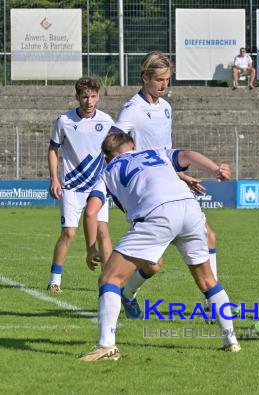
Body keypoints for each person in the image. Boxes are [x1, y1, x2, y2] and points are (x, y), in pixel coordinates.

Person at [79, 132, 239, 361]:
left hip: (156, 214)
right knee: (207, 280)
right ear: (133, 145)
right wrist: (215, 170)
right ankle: (231, 341)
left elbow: (91, 211)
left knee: (109, 279)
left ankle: (106, 347)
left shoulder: (107, 171)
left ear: (106, 158)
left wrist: (91, 248)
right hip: (190, 209)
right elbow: (188, 155)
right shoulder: (155, 152)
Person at [113, 51, 222, 319]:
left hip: (170, 184)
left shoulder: (165, 107)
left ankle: (211, 304)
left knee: (209, 236)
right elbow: (113, 144)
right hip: (147, 193)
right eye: (159, 79)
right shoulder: (132, 110)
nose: (164, 85)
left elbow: (164, 152)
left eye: (168, 80)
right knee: (153, 264)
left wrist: (180, 175)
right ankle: (127, 294)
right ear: (145, 78)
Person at [47, 77, 114, 293]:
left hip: (98, 186)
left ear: (98, 97)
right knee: (69, 233)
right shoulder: (64, 121)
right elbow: (53, 150)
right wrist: (54, 178)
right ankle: (55, 280)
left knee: (103, 232)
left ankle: (109, 281)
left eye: (93, 96)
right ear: (77, 97)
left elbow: (115, 152)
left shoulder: (107, 121)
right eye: (85, 96)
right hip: (71, 187)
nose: (89, 101)